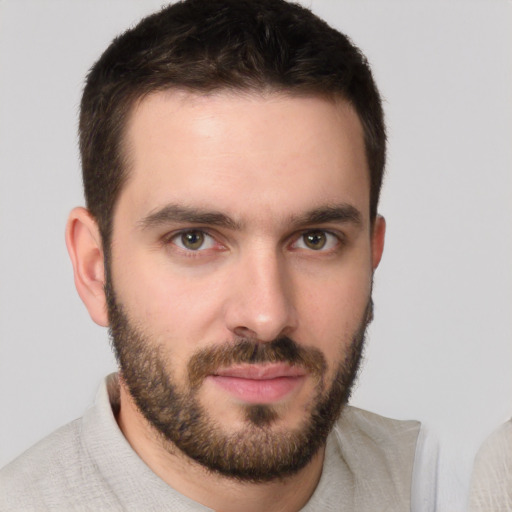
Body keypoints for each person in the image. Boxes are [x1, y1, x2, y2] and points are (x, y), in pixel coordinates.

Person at [0, 0, 436, 510]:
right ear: (96, 270)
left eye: (315, 238)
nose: (266, 315)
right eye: (194, 239)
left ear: (371, 255)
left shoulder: (454, 486)